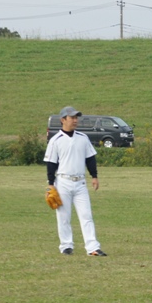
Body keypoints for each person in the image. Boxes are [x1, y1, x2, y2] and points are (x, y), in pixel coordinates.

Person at [43, 106, 107, 256]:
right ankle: (66, 246)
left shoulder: (83, 138)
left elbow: (90, 158)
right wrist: (50, 184)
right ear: (63, 120)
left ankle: (92, 248)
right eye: (72, 117)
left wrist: (94, 176)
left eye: (76, 117)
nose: (75, 120)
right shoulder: (55, 140)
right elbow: (51, 163)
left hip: (80, 182)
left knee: (86, 215)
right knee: (64, 216)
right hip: (63, 182)